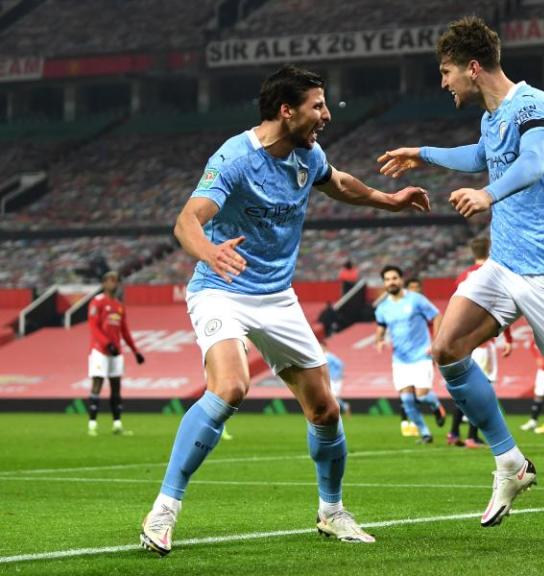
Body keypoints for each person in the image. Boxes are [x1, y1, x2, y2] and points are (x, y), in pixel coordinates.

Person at [139, 65, 429, 555]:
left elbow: (338, 182)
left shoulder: (307, 155)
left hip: (277, 297)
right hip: (221, 288)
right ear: (285, 109)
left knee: (325, 410)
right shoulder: (235, 157)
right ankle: (163, 511)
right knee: (230, 386)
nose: (326, 115)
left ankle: (332, 512)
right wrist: (209, 253)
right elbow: (187, 220)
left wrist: (390, 201)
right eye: (317, 105)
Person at [378, 16, 544, 544]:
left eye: (447, 71)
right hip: (504, 263)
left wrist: (487, 195)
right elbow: (482, 156)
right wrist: (423, 154)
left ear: (472, 67)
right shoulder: (491, 116)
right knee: (447, 348)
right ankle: (510, 462)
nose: (444, 81)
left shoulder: (533, 105)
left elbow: (532, 162)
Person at [449, 237, 513, 448]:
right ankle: (472, 436)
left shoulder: (462, 277)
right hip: (484, 344)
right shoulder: (494, 274)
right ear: (490, 249)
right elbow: (501, 306)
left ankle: (453, 432)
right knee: (482, 390)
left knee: (465, 387)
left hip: (465, 343)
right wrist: (508, 338)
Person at [375, 265, 446, 444]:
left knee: (421, 395)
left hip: (421, 355)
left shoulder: (416, 300)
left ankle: (436, 406)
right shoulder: (382, 308)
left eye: (394, 278)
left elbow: (437, 316)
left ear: (401, 279)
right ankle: (425, 434)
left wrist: (436, 341)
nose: (391, 282)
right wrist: (379, 340)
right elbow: (380, 327)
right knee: (407, 400)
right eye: (387, 279)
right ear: (384, 283)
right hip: (399, 359)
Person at [86, 270, 145, 436]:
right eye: (111, 280)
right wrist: (106, 343)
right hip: (99, 351)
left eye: (116, 280)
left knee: (116, 387)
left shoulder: (119, 305)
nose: (114, 283)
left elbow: (124, 331)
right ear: (104, 283)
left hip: (116, 352)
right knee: (97, 383)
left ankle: (117, 424)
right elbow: (93, 326)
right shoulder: (97, 302)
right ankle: (92, 424)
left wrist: (135, 351)